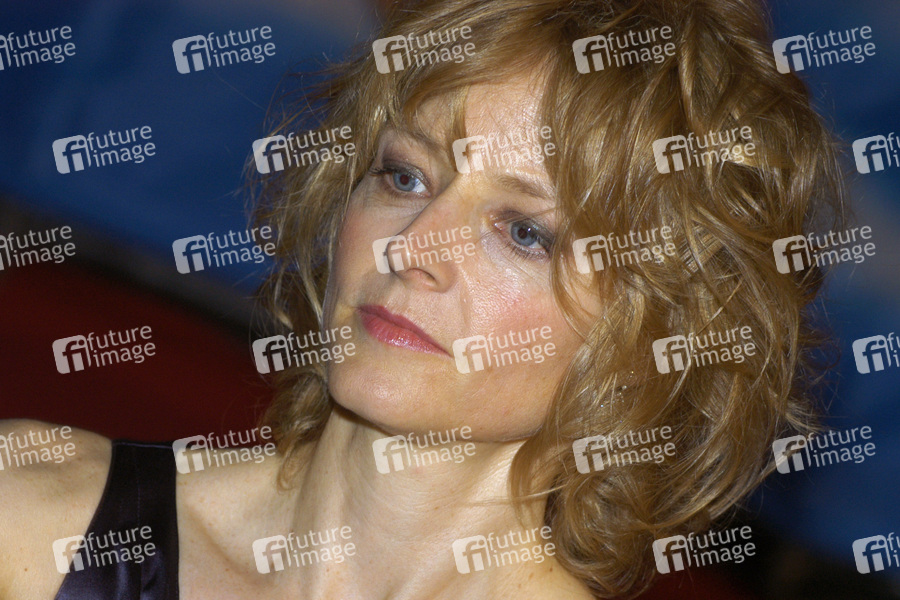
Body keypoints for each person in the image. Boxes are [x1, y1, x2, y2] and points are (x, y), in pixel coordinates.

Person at [0, 0, 844, 597]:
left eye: (525, 232)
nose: (412, 247)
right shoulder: (32, 519)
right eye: (406, 177)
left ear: (651, 332)